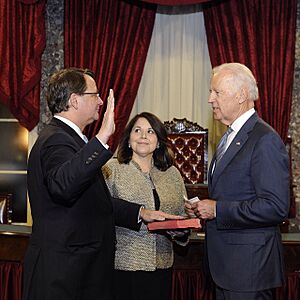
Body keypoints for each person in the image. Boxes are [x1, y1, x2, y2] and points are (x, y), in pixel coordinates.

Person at [22, 68, 182, 300]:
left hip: (76, 272)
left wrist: (140, 212)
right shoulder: (57, 139)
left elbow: (94, 201)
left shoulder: (70, 139)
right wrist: (102, 137)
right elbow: (64, 186)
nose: (100, 101)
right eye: (95, 95)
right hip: (64, 274)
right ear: (75, 100)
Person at [185, 63, 290, 300]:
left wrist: (217, 209)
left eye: (217, 92)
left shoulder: (264, 140)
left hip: (248, 271)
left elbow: (275, 207)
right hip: (227, 268)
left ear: (241, 95)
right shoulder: (231, 136)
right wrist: (204, 209)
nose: (210, 99)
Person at [102, 112, 189, 300]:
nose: (143, 136)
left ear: (158, 142)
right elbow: (101, 208)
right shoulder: (111, 168)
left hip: (163, 264)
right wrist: (141, 213)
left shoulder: (172, 173)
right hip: (125, 264)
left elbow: (182, 215)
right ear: (128, 139)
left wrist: (181, 232)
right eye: (137, 130)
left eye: (150, 131)